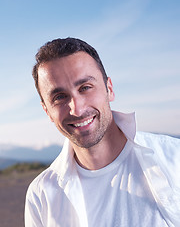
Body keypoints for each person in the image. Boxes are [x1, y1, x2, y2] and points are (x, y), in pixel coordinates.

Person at [25, 37, 180, 227]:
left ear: (109, 89)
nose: (77, 109)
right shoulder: (41, 195)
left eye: (86, 88)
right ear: (47, 110)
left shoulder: (175, 158)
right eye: (59, 97)